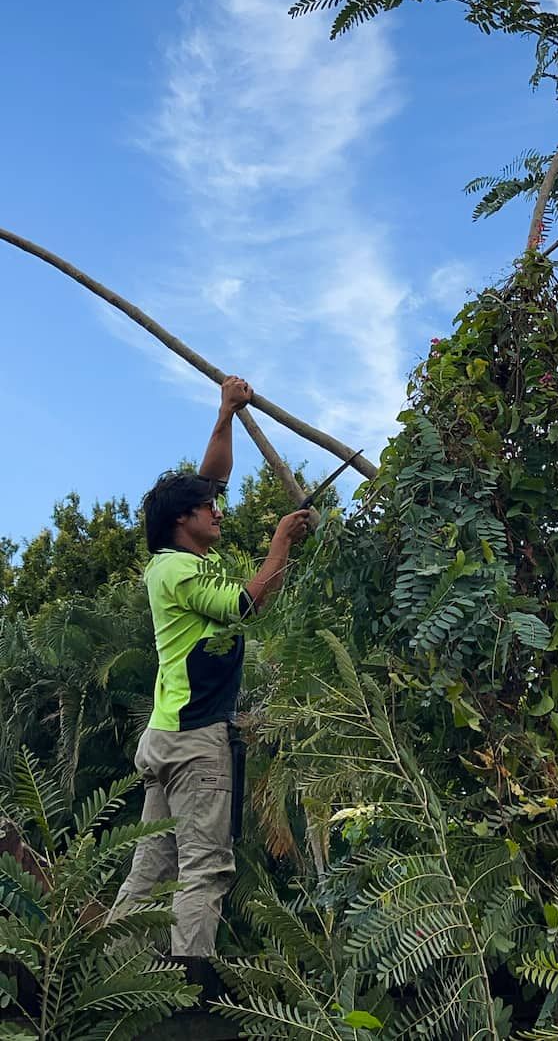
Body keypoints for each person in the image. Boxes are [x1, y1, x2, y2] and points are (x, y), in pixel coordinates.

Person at [109, 376, 311, 964]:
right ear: (181, 521)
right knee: (206, 867)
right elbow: (248, 603)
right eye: (207, 508)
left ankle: (97, 971)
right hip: (196, 739)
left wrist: (225, 414)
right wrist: (282, 544)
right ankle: (190, 984)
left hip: (168, 737)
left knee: (152, 868)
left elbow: (212, 476)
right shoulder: (177, 571)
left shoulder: (176, 560)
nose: (217, 510)